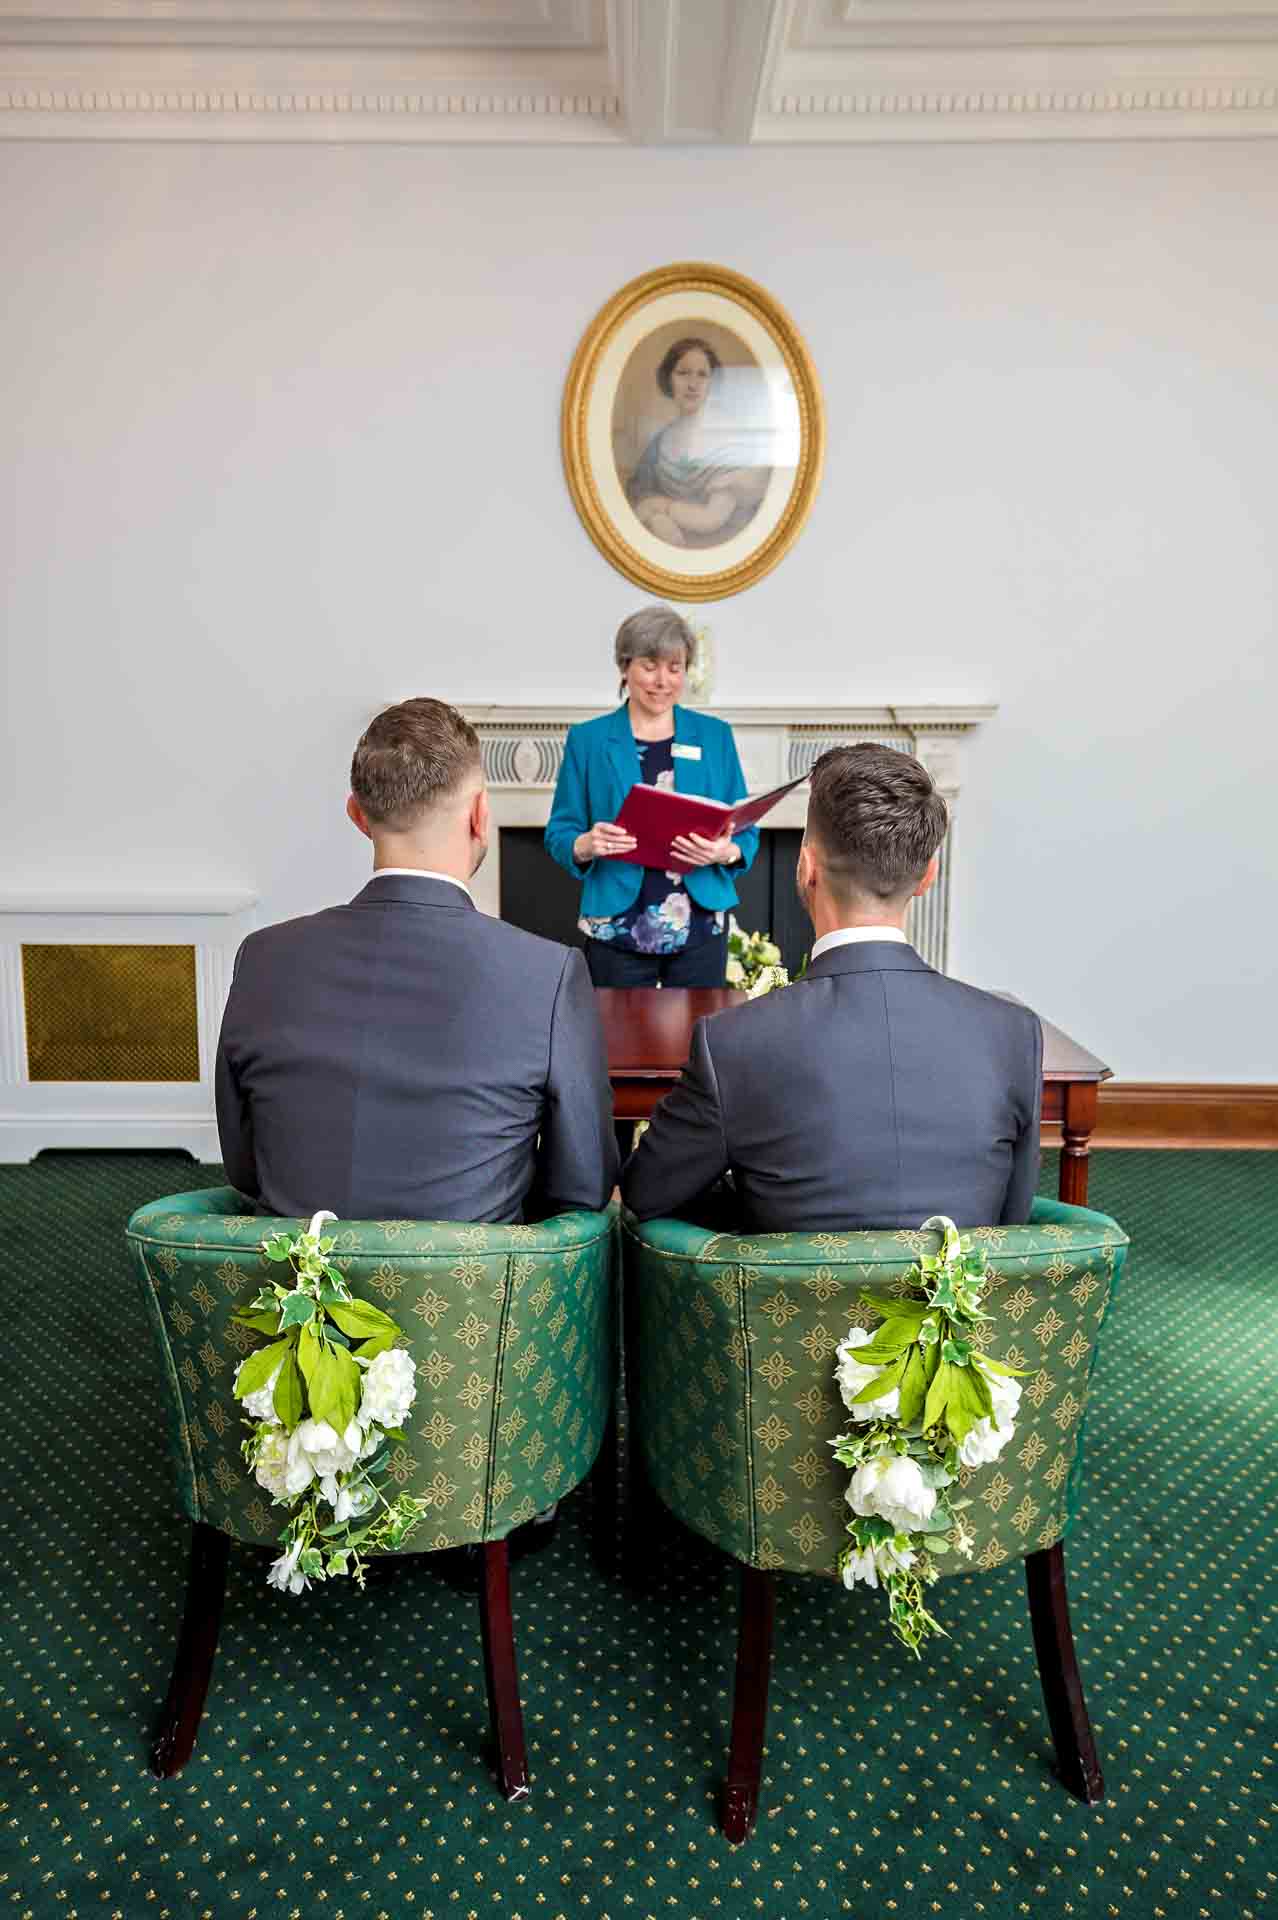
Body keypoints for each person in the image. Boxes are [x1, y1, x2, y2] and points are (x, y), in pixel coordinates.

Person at [216, 697, 618, 1224]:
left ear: (357, 815)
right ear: (479, 816)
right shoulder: (549, 973)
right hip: (480, 1299)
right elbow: (583, 1184)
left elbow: (246, 1169)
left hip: (301, 1292)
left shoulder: (263, 958)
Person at [622, 742, 1043, 1232]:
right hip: (960, 1310)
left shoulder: (732, 1042)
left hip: (781, 1308)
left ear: (807, 867)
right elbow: (1013, 1221)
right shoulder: (1014, 1035)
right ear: (928, 874)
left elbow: (645, 1192)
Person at [544, 604, 758, 989]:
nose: (662, 680)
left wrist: (724, 852)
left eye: (674, 668)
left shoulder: (715, 736)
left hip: (700, 919)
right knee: (618, 1043)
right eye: (650, 665)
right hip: (616, 923)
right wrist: (587, 843)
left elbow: (745, 830)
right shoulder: (588, 740)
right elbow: (560, 832)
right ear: (625, 667)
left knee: (696, 1040)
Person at [625, 337, 769, 550]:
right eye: (683, 373)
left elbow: (711, 520)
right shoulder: (659, 444)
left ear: (713, 383)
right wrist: (656, 521)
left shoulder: (733, 441)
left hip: (724, 552)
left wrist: (662, 508)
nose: (692, 384)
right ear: (668, 379)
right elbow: (639, 497)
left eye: (702, 375)